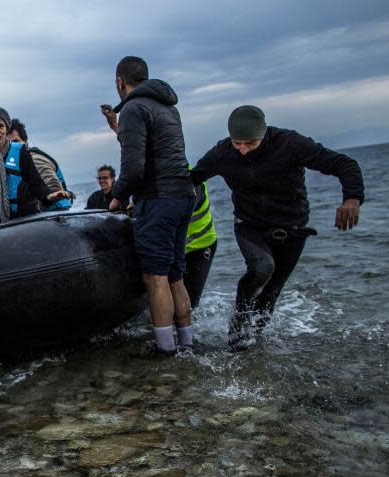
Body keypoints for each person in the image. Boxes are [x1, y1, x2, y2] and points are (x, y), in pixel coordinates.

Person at [190, 105, 364, 349]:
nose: (242, 150)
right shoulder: (222, 152)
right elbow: (192, 178)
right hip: (250, 225)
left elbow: (343, 163)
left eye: (250, 144)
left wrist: (352, 198)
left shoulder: (289, 144)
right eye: (237, 143)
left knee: (271, 292)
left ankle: (255, 342)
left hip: (292, 229)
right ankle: (236, 338)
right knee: (262, 268)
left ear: (263, 134)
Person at [100, 56, 196, 355]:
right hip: (183, 195)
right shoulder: (167, 106)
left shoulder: (133, 106)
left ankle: (165, 349)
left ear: (120, 81)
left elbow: (133, 166)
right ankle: (187, 344)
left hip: (158, 199)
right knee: (176, 274)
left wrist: (117, 197)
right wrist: (116, 127)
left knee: (155, 277)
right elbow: (149, 149)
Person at [0, 106, 71, 225]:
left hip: (26, 217)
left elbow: (35, 181)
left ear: (6, 128)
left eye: (1, 126)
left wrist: (49, 196)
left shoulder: (20, 151)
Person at [8, 118, 73, 212]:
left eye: (15, 142)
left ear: (26, 143)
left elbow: (54, 190)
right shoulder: (9, 164)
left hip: (54, 215)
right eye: (8, 144)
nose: (12, 147)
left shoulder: (35, 159)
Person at [182, 179, 218, 309]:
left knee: (190, 304)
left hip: (200, 247)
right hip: (175, 250)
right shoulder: (154, 181)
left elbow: (179, 213)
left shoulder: (192, 179)